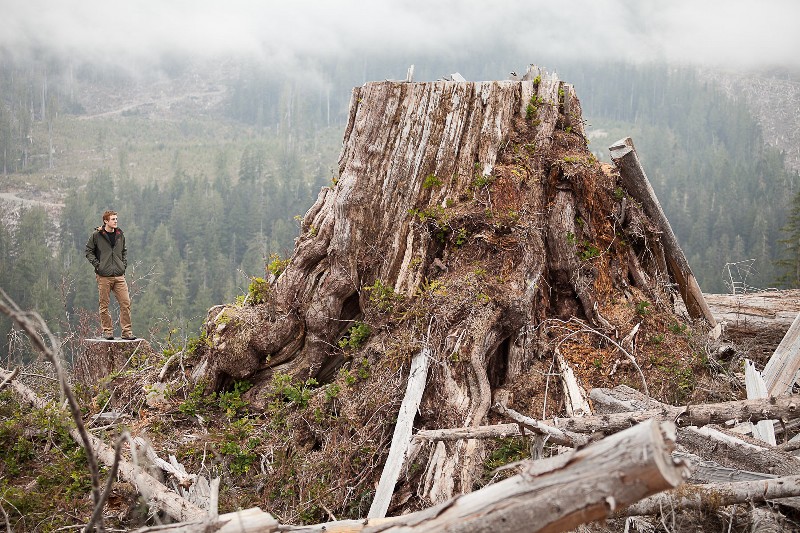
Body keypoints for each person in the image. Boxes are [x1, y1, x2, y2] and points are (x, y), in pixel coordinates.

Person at [85, 210, 136, 340]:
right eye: (113, 219)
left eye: (116, 219)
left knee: (125, 303)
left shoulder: (120, 234)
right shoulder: (97, 235)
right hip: (104, 276)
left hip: (119, 276)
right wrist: (98, 265)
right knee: (104, 305)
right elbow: (89, 251)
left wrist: (123, 265)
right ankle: (108, 332)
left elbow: (124, 251)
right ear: (106, 221)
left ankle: (127, 332)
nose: (116, 221)